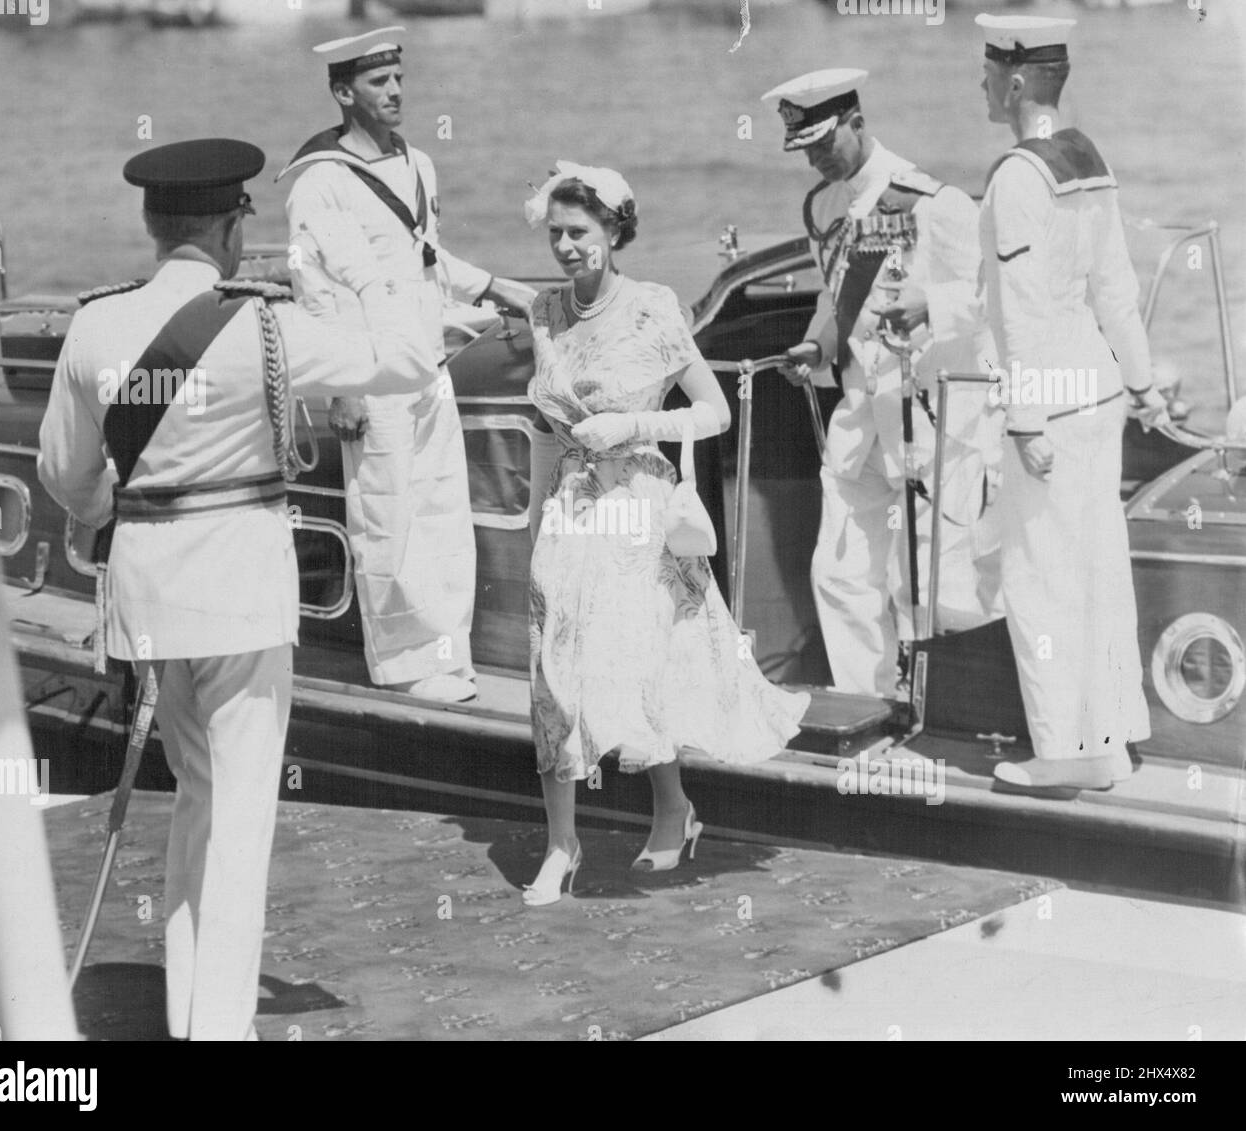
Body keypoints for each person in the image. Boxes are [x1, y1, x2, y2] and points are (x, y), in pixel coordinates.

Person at [37, 138, 438, 1039]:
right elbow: (410, 359)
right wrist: (380, 263)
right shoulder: (265, 326)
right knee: (241, 809)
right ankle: (219, 1028)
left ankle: (193, 1010)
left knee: (199, 793)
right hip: (243, 594)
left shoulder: (95, 326)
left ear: (152, 225)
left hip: (146, 603)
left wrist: (110, 505)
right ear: (225, 229)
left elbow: (68, 476)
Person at [521, 161, 812, 906]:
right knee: (556, 670)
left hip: (638, 506)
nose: (566, 246)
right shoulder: (545, 312)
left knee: (642, 664)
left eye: (579, 232)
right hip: (571, 506)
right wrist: (539, 514)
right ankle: (561, 844)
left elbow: (713, 412)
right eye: (555, 233)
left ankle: (674, 809)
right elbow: (549, 429)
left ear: (615, 230)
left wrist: (635, 423)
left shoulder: (653, 307)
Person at [279, 26, 537, 703]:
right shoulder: (321, 183)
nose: (394, 91)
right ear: (343, 92)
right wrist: (342, 385)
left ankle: (449, 658)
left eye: (397, 78)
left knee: (443, 513)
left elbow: (425, 260)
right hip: (370, 374)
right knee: (387, 519)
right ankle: (403, 665)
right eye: (376, 82)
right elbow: (317, 288)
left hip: (427, 361)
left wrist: (494, 286)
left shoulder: (418, 163)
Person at [974, 14, 1169, 796]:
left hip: (1047, 405)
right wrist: (1145, 380)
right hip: (1098, 392)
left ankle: (1063, 752)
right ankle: (1109, 736)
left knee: (1041, 576)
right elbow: (1116, 288)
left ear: (1018, 81)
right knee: (1097, 569)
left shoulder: (1018, 176)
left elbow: (1018, 308)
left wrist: (1021, 418)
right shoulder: (1089, 159)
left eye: (989, 72)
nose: (981, 83)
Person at [766, 69, 1001, 699]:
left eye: (823, 143)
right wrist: (817, 344)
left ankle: (960, 706)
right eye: (804, 149)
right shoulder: (823, 206)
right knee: (840, 573)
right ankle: (864, 707)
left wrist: (932, 304)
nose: (815, 159)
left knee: (933, 584)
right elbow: (835, 296)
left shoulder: (931, 201)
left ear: (857, 123)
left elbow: (995, 297)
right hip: (861, 421)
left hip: (930, 422)